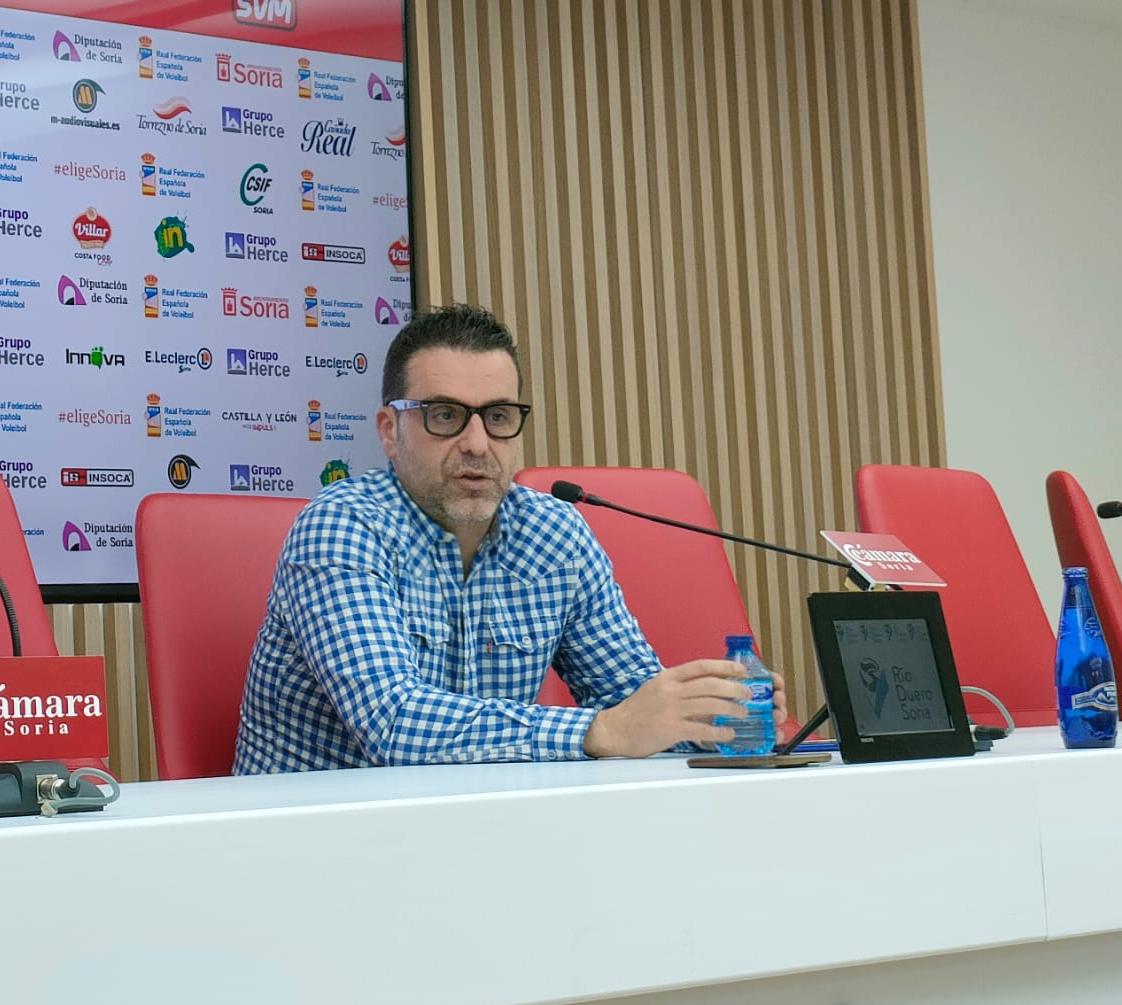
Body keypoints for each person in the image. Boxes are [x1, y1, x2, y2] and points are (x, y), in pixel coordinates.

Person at [234, 303, 784, 771]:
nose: (477, 443)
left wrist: (707, 715)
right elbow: (394, 725)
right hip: (308, 851)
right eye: (445, 415)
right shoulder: (342, 527)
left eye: (498, 416)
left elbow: (630, 701)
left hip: (482, 837)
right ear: (389, 431)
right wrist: (601, 732)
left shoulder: (554, 533)